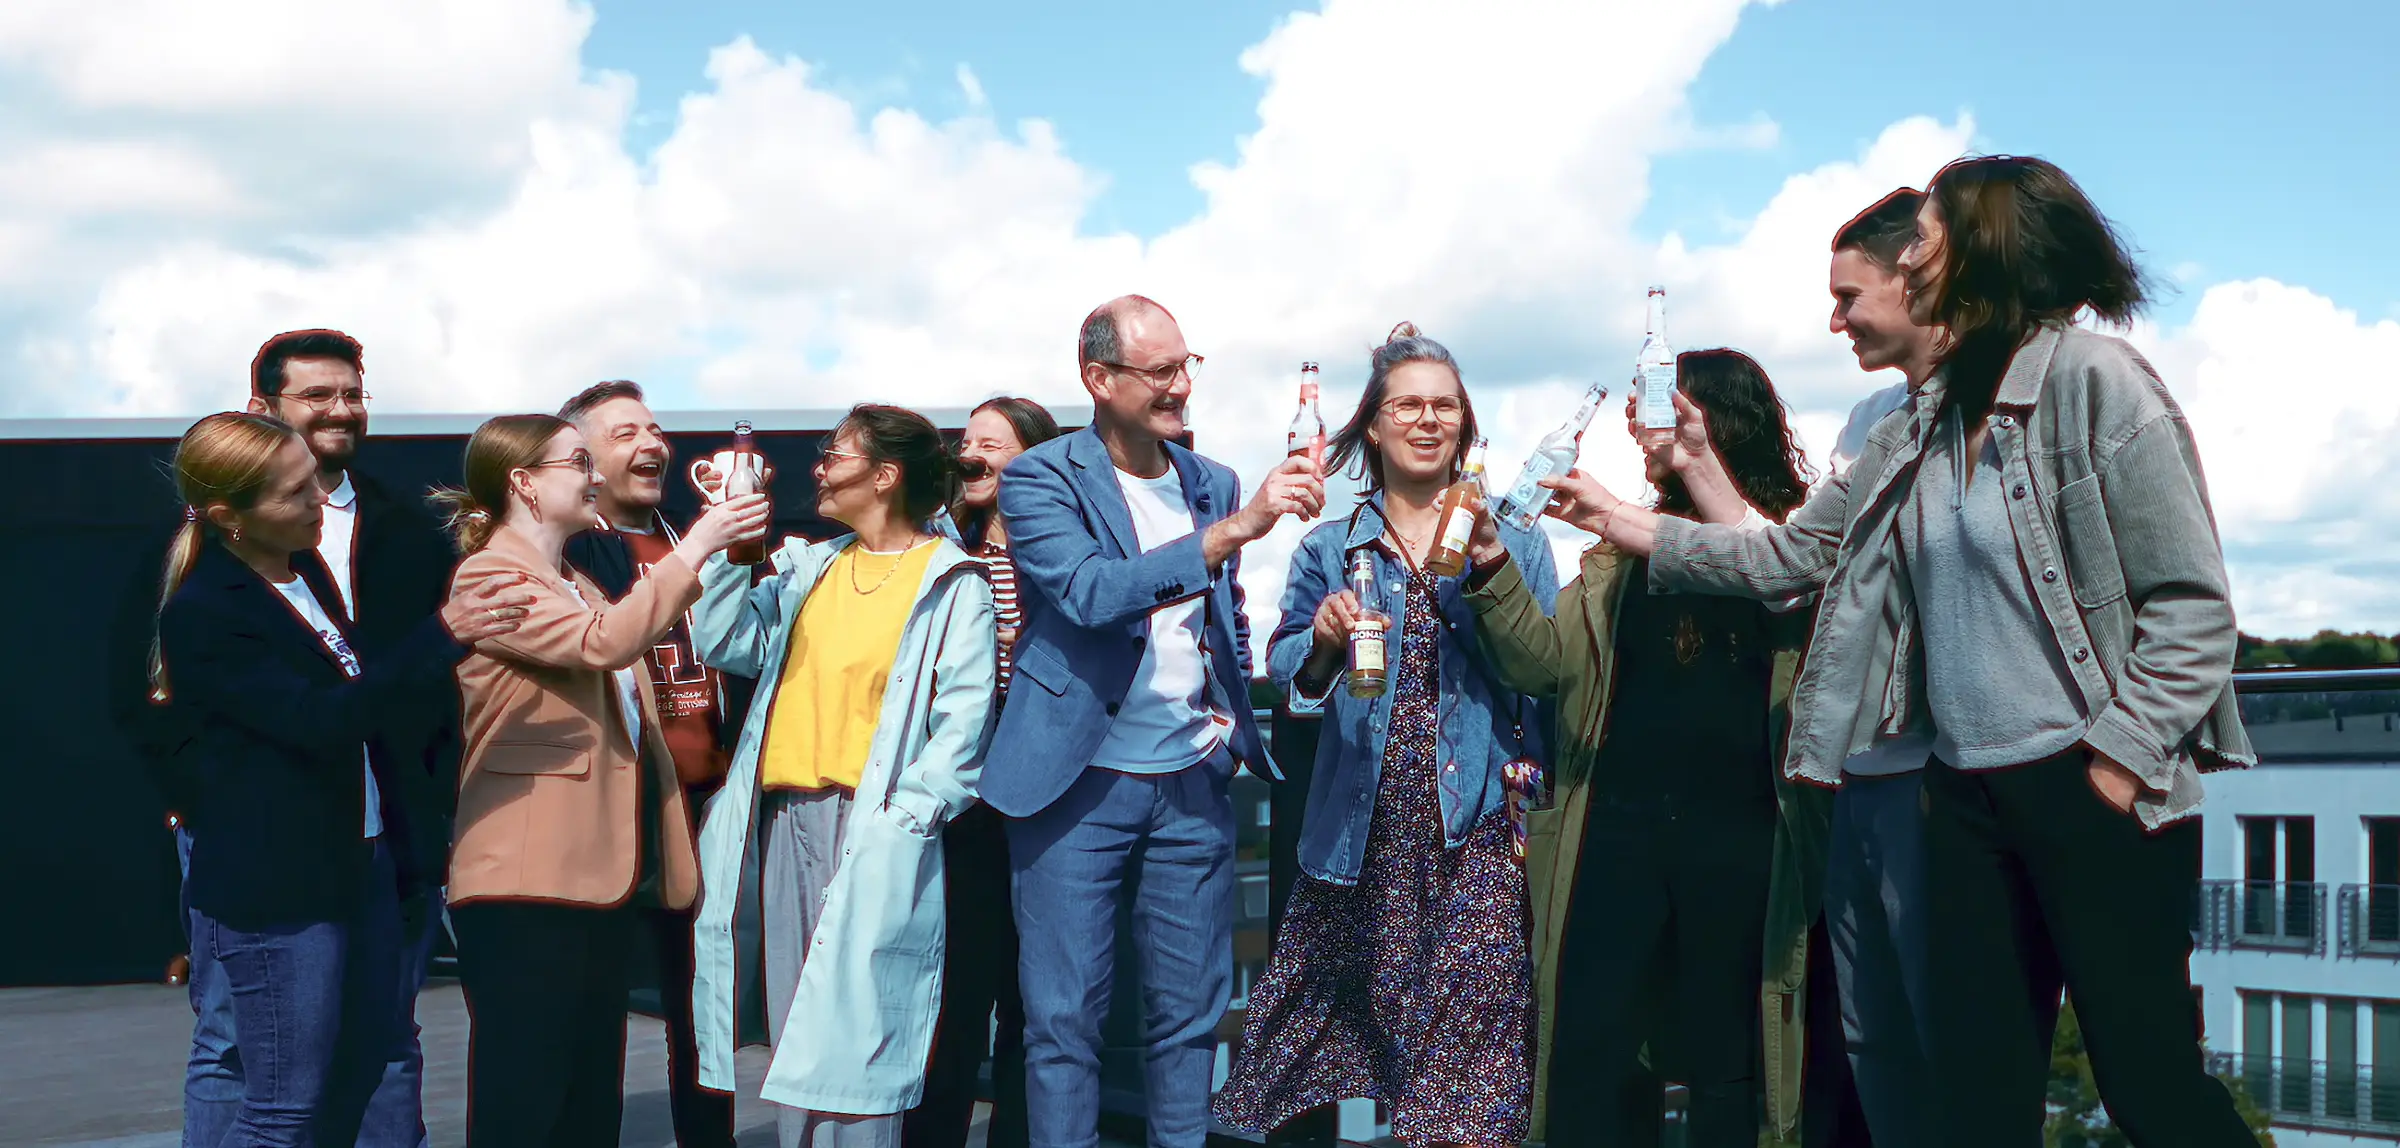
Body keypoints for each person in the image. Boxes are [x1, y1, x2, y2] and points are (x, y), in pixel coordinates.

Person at [1546, 155, 2257, 1148]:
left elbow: (2192, 609)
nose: (1910, 255)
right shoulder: (1918, 418)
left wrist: (2114, 760)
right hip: (1963, 797)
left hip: (2094, 790)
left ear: (1987, 251)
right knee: (1974, 1098)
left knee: (2151, 1086)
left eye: (1925, 235)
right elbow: (1796, 554)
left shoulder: (2099, 383)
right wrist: (1627, 518)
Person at [980, 295, 1319, 1148]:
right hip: (1074, 786)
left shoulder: (1211, 480)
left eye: (1186, 366)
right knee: (1063, 1024)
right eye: (1159, 371)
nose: (1179, 387)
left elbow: (1226, 614)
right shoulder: (1040, 477)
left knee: (1189, 1022)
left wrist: (1224, 728)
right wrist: (1236, 532)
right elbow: (1090, 593)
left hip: (1190, 784)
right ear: (1098, 378)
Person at [1465, 349, 1827, 1148]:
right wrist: (1490, 560)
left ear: (1716, 422)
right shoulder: (1615, 558)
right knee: (1590, 1053)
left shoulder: (1793, 546)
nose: (1641, 431)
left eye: (1661, 411)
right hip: (1614, 829)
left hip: (1744, 836)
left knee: (1730, 1064)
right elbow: (1544, 663)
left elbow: (1805, 623)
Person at [1213, 324, 1556, 1147]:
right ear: (1373, 424)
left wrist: (1485, 568)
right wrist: (1324, 640)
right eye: (1408, 405)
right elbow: (1291, 677)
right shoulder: (1332, 547)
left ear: (1467, 425)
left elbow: (1543, 671)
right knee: (1308, 1043)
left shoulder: (1518, 536)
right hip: (1360, 834)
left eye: (1446, 406)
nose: (1428, 420)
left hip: (1476, 823)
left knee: (1473, 1058)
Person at [152, 411, 533, 1147]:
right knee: (281, 1107)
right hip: (279, 888)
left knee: (357, 1075)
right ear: (231, 518)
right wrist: (443, 634)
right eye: (294, 495)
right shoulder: (205, 612)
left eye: (313, 485)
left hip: (360, 864)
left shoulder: (305, 575)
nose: (316, 506)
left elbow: (363, 695)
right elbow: (317, 718)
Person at [436, 414, 770, 1148]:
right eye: (578, 462)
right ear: (523, 482)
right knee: (526, 1101)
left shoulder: (578, 581)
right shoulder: (491, 576)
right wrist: (704, 540)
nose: (594, 476)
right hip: (525, 879)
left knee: (588, 1104)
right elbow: (603, 644)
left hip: (594, 878)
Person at [687, 404, 1000, 1148]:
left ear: (885, 475)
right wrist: (732, 550)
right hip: (786, 823)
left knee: (864, 1034)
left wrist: (902, 822)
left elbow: (961, 734)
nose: (819, 468)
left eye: (836, 454)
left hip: (876, 828)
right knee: (801, 1035)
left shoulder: (953, 582)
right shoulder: (810, 566)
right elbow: (725, 639)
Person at [246, 329, 463, 1148]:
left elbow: (437, 683)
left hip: (392, 827)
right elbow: (149, 689)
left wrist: (426, 788)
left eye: (353, 393)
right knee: (248, 1052)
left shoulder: (409, 526)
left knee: (387, 1037)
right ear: (263, 408)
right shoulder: (208, 535)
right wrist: (196, 800)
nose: (342, 410)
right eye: (318, 396)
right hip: (266, 833)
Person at [559, 380, 740, 1148]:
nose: (652, 445)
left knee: (704, 1003)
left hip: (703, 801)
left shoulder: (693, 538)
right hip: (612, 804)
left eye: (656, 429)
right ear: (583, 463)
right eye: (626, 432)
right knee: (590, 1005)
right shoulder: (569, 551)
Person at [1815, 188, 1949, 1147]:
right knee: (1874, 1039)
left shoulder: (2025, 402)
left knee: (1950, 1032)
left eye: (1848, 295)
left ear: (1915, 275)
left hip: (1943, 782)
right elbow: (1798, 560)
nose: (1836, 319)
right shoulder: (1871, 417)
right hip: (1857, 776)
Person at [911, 396, 1064, 1148]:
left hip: (1047, 793)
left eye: (991, 444)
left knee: (1033, 997)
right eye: (966, 443)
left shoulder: (1062, 551)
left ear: (1033, 460)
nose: (971, 455)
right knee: (956, 992)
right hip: (967, 798)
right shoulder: (941, 546)